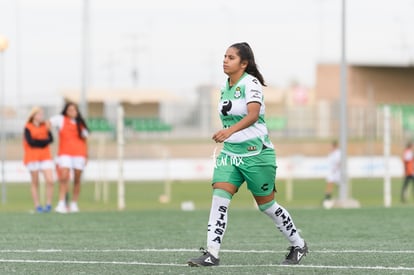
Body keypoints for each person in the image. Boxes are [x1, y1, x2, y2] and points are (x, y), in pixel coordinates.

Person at [187, 42, 308, 267]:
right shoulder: (225, 87)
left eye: (231, 57)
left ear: (244, 63)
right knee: (219, 201)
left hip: (257, 155)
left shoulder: (251, 84)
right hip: (230, 155)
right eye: (224, 56)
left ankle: (298, 244)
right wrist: (229, 136)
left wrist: (229, 131)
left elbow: (252, 115)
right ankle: (212, 253)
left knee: (267, 206)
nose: (225, 60)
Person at [50, 102, 89, 213]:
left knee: (77, 179)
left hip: (79, 154)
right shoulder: (61, 120)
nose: (73, 112)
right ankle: (61, 203)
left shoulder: (81, 124)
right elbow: (48, 124)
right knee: (64, 176)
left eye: (75, 110)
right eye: (70, 110)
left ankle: (74, 203)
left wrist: (86, 155)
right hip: (65, 153)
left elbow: (86, 141)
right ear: (66, 111)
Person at [23, 107, 54, 213]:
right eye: (39, 114)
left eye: (42, 114)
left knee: (50, 180)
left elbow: (50, 139)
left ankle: (48, 204)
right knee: (35, 181)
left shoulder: (46, 126)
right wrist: (43, 142)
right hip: (32, 157)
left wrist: (41, 142)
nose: (41, 116)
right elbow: (31, 142)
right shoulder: (28, 127)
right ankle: (37, 205)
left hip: (45, 156)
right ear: (33, 115)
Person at [322, 140, 341, 207]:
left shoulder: (338, 153)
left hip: (337, 172)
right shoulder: (331, 153)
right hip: (331, 172)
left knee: (339, 185)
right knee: (329, 184)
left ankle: (339, 197)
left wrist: (336, 169)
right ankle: (327, 199)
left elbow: (339, 162)